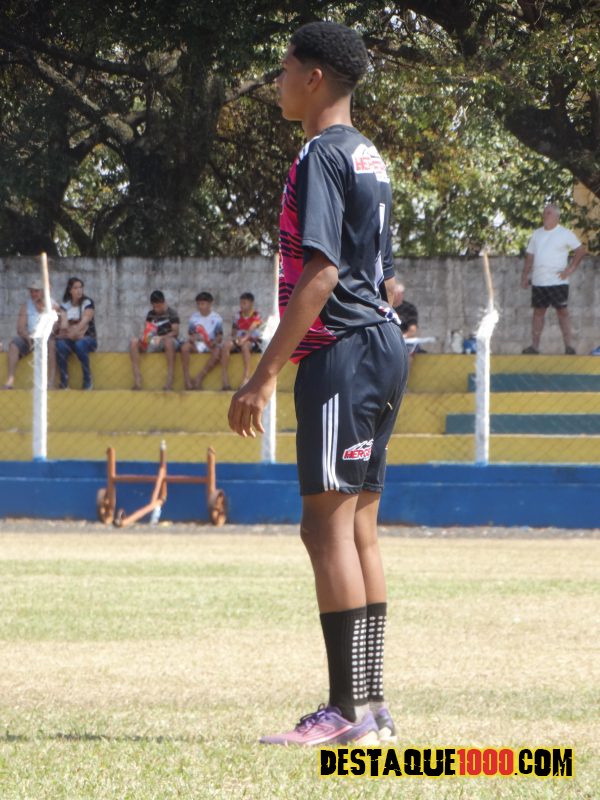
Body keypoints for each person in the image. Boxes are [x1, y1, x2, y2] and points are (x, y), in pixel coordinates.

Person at [228, 21, 408, 747]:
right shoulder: (369, 155)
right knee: (358, 527)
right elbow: (384, 278)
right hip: (382, 345)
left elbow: (323, 272)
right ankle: (371, 707)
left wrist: (263, 375)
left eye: (283, 69)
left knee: (323, 526)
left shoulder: (320, 154)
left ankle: (344, 711)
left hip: (342, 353)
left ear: (313, 78)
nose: (277, 82)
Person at [521, 204, 587, 354]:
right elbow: (530, 256)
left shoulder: (565, 233)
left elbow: (580, 251)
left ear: (557, 217)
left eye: (549, 213)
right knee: (538, 313)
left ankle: (568, 346)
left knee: (562, 312)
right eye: (544, 213)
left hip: (558, 281)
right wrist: (525, 275)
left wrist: (570, 269)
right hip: (539, 281)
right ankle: (534, 347)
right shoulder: (537, 234)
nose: (545, 216)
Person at [2, 279, 60, 389]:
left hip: (47, 337)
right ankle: (10, 381)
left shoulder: (53, 305)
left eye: (36, 291)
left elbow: (55, 327)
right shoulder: (26, 306)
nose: (33, 294)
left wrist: (42, 335)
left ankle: (51, 382)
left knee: (52, 344)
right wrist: (28, 338)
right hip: (29, 337)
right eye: (31, 291)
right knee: (14, 345)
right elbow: (20, 327)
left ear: (43, 292)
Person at [129, 290, 180, 390]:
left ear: (163, 302)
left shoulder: (172, 313)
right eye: (154, 306)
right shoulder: (150, 314)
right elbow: (147, 330)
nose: (156, 309)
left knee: (168, 342)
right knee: (134, 342)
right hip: (153, 341)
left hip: (168, 340)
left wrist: (162, 337)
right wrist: (145, 338)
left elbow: (175, 332)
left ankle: (169, 380)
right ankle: (137, 379)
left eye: (158, 306)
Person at [56, 277, 97, 390]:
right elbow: (63, 326)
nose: (79, 290)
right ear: (70, 290)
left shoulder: (88, 303)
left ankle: (87, 379)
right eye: (75, 288)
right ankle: (64, 381)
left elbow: (85, 322)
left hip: (88, 339)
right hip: (71, 339)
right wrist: (72, 332)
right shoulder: (65, 305)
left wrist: (72, 330)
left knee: (80, 344)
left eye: (80, 287)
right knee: (60, 345)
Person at [180, 292, 224, 390]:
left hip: (210, 345)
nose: (200, 306)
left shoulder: (216, 318)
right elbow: (191, 334)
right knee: (184, 347)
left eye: (203, 304)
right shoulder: (194, 317)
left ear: (209, 304)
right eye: (198, 304)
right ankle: (187, 379)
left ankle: (199, 377)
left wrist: (214, 342)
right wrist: (193, 338)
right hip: (197, 344)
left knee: (218, 351)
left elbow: (219, 336)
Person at [220, 292, 263, 390]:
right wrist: (234, 338)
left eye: (244, 303)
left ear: (251, 303)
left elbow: (250, 331)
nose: (241, 305)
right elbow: (233, 332)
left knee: (245, 346)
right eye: (241, 303)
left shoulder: (256, 315)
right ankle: (224, 377)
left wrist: (243, 339)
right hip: (239, 340)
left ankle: (246, 377)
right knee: (226, 345)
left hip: (252, 341)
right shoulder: (237, 315)